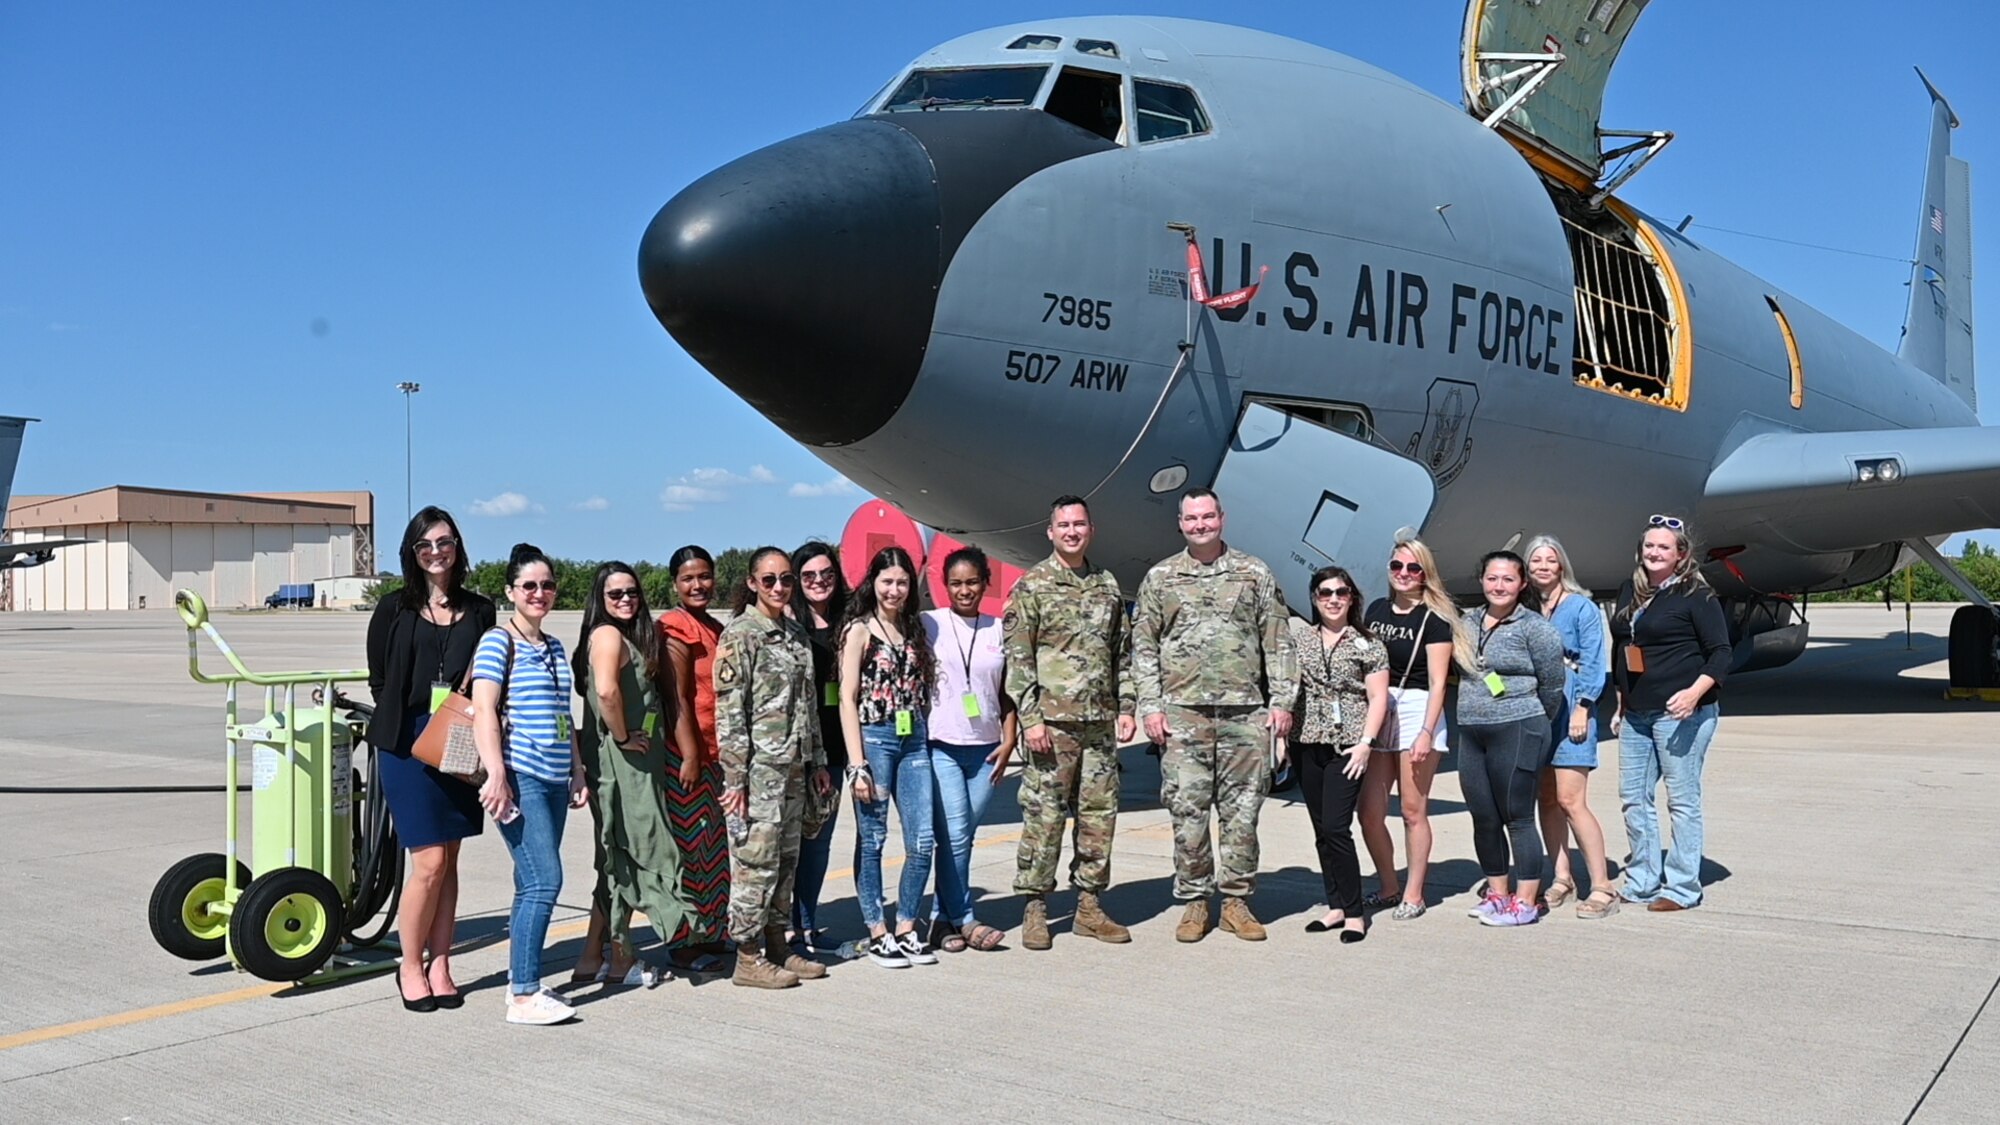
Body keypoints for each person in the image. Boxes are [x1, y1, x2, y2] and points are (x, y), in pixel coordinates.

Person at [1133, 487, 1296, 943]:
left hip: (1245, 713)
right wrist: (1150, 706)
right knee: (1188, 812)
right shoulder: (1161, 578)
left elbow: (1277, 640)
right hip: (1183, 715)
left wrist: (1282, 701)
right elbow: (1144, 646)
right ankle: (1194, 902)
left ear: (1221, 518)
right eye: (1191, 519)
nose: (1199, 525)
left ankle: (1237, 902)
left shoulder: (1252, 572)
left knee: (1242, 813)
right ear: (1180, 523)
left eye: (1207, 516)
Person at [365, 506, 495, 1013]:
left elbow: (487, 678)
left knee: (452, 860)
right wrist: (410, 717)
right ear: (412, 554)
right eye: (425, 546)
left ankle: (442, 962)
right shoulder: (393, 608)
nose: (436, 553)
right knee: (429, 862)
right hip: (406, 740)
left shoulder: (480, 610)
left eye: (444, 543)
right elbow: (380, 679)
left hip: (459, 736)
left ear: (458, 547)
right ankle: (410, 965)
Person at [1005, 495, 1138, 950]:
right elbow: (1018, 659)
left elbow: (1123, 652)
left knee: (1099, 818)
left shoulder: (1106, 584)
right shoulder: (1032, 586)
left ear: (1091, 530)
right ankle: (1036, 907)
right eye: (1063, 525)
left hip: (1099, 725)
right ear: (1050, 532)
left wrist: (1127, 706)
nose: (1072, 532)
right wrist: (1030, 719)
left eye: (1079, 524)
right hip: (1052, 727)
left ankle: (1088, 905)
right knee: (1044, 818)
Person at [471, 544, 587, 1024]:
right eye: (529, 586)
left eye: (547, 585)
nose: (539, 593)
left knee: (529, 883)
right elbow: (484, 710)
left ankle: (522, 979)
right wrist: (496, 773)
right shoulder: (499, 641)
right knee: (545, 879)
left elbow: (564, 714)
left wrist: (577, 769)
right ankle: (523, 995)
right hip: (520, 776)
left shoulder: (555, 646)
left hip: (555, 776)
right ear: (510, 592)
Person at [714, 547, 835, 988]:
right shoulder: (741, 636)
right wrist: (736, 778)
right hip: (758, 774)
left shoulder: (797, 635)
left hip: (796, 770)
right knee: (754, 863)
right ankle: (748, 957)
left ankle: (778, 945)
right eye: (770, 580)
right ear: (752, 583)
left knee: (786, 861)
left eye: (786, 579)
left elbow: (810, 707)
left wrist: (818, 761)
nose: (780, 587)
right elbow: (729, 713)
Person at [570, 563, 695, 988]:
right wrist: (623, 737)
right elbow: (606, 691)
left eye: (632, 593)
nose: (626, 600)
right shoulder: (607, 635)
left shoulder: (624, 636)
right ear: (599, 601)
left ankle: (592, 957)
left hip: (635, 762)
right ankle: (621, 959)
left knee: (614, 856)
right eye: (615, 594)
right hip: (623, 765)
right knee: (630, 855)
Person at [1610, 515, 1731, 911]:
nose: (1654, 553)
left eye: (1664, 547)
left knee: (1681, 801)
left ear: (1681, 555)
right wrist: (1620, 700)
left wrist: (1695, 694)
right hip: (1637, 713)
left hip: (1681, 714)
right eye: (1649, 546)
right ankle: (1643, 878)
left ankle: (1682, 887)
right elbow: (1624, 649)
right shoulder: (1633, 590)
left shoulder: (1698, 595)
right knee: (1633, 798)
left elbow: (1721, 653)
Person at [1456, 550, 1569, 928]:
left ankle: (1526, 901)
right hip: (1472, 729)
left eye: (1507, 579)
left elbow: (1553, 684)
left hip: (1519, 725)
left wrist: (1531, 719)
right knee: (1483, 816)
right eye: (1492, 578)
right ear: (1481, 581)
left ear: (1522, 584)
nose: (1499, 586)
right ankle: (1498, 894)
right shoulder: (1466, 622)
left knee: (1517, 816)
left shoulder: (1535, 628)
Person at [839, 545, 938, 968]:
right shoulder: (860, 630)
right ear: (872, 583)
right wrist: (856, 763)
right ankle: (877, 929)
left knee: (921, 840)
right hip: (875, 738)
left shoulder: (915, 629)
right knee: (874, 838)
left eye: (901, 582)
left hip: (913, 737)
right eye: (887, 581)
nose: (894, 590)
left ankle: (907, 926)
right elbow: (847, 697)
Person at [1359, 535, 1466, 920]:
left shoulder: (1434, 620)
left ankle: (1414, 893)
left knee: (1411, 809)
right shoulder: (1375, 611)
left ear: (1425, 575)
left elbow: (1439, 682)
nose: (1403, 574)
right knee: (1369, 811)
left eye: (1412, 568)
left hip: (1417, 707)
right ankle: (1388, 886)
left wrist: (1426, 731)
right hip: (1379, 708)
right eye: (1396, 567)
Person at [1281, 565, 1388, 943]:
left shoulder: (1368, 643)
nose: (1333, 599)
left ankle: (1356, 912)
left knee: (1337, 828)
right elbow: (1287, 689)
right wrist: (1283, 739)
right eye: (1325, 593)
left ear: (1352, 598)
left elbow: (1377, 698)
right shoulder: (1300, 640)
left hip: (1349, 746)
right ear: (1314, 598)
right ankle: (1336, 905)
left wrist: (1366, 743)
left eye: (1341, 592)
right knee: (1321, 831)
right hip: (1306, 740)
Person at [923, 546, 1017, 953]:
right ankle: (965, 919)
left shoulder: (999, 629)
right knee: (957, 836)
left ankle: (941, 922)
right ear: (945, 586)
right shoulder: (928, 623)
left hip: (987, 751)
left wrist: (1010, 738)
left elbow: (1008, 692)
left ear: (985, 583)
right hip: (942, 746)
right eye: (956, 583)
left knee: (963, 836)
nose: (964, 591)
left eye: (972, 582)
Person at [1524, 535, 1618, 920]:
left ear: (1562, 565)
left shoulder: (1581, 608)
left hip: (1572, 714)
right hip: (1537, 715)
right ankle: (1562, 876)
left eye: (1550, 560)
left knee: (1571, 800)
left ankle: (1602, 886)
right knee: (1545, 799)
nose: (1543, 567)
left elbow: (1595, 662)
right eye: (1535, 562)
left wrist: (1584, 707)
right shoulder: (1528, 610)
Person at [657, 546, 731, 970]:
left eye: (704, 576)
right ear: (675, 584)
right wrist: (688, 755)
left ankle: (712, 931)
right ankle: (685, 939)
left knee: (713, 847)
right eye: (688, 578)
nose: (698, 585)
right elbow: (677, 698)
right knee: (688, 845)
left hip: (716, 753)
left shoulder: (714, 627)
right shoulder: (675, 628)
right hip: (690, 754)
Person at [786, 540, 850, 954]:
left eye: (826, 574)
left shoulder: (848, 620)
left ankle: (807, 923)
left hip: (837, 746)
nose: (819, 582)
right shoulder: (789, 622)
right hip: (798, 751)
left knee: (819, 841)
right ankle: (789, 926)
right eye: (808, 575)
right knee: (791, 843)